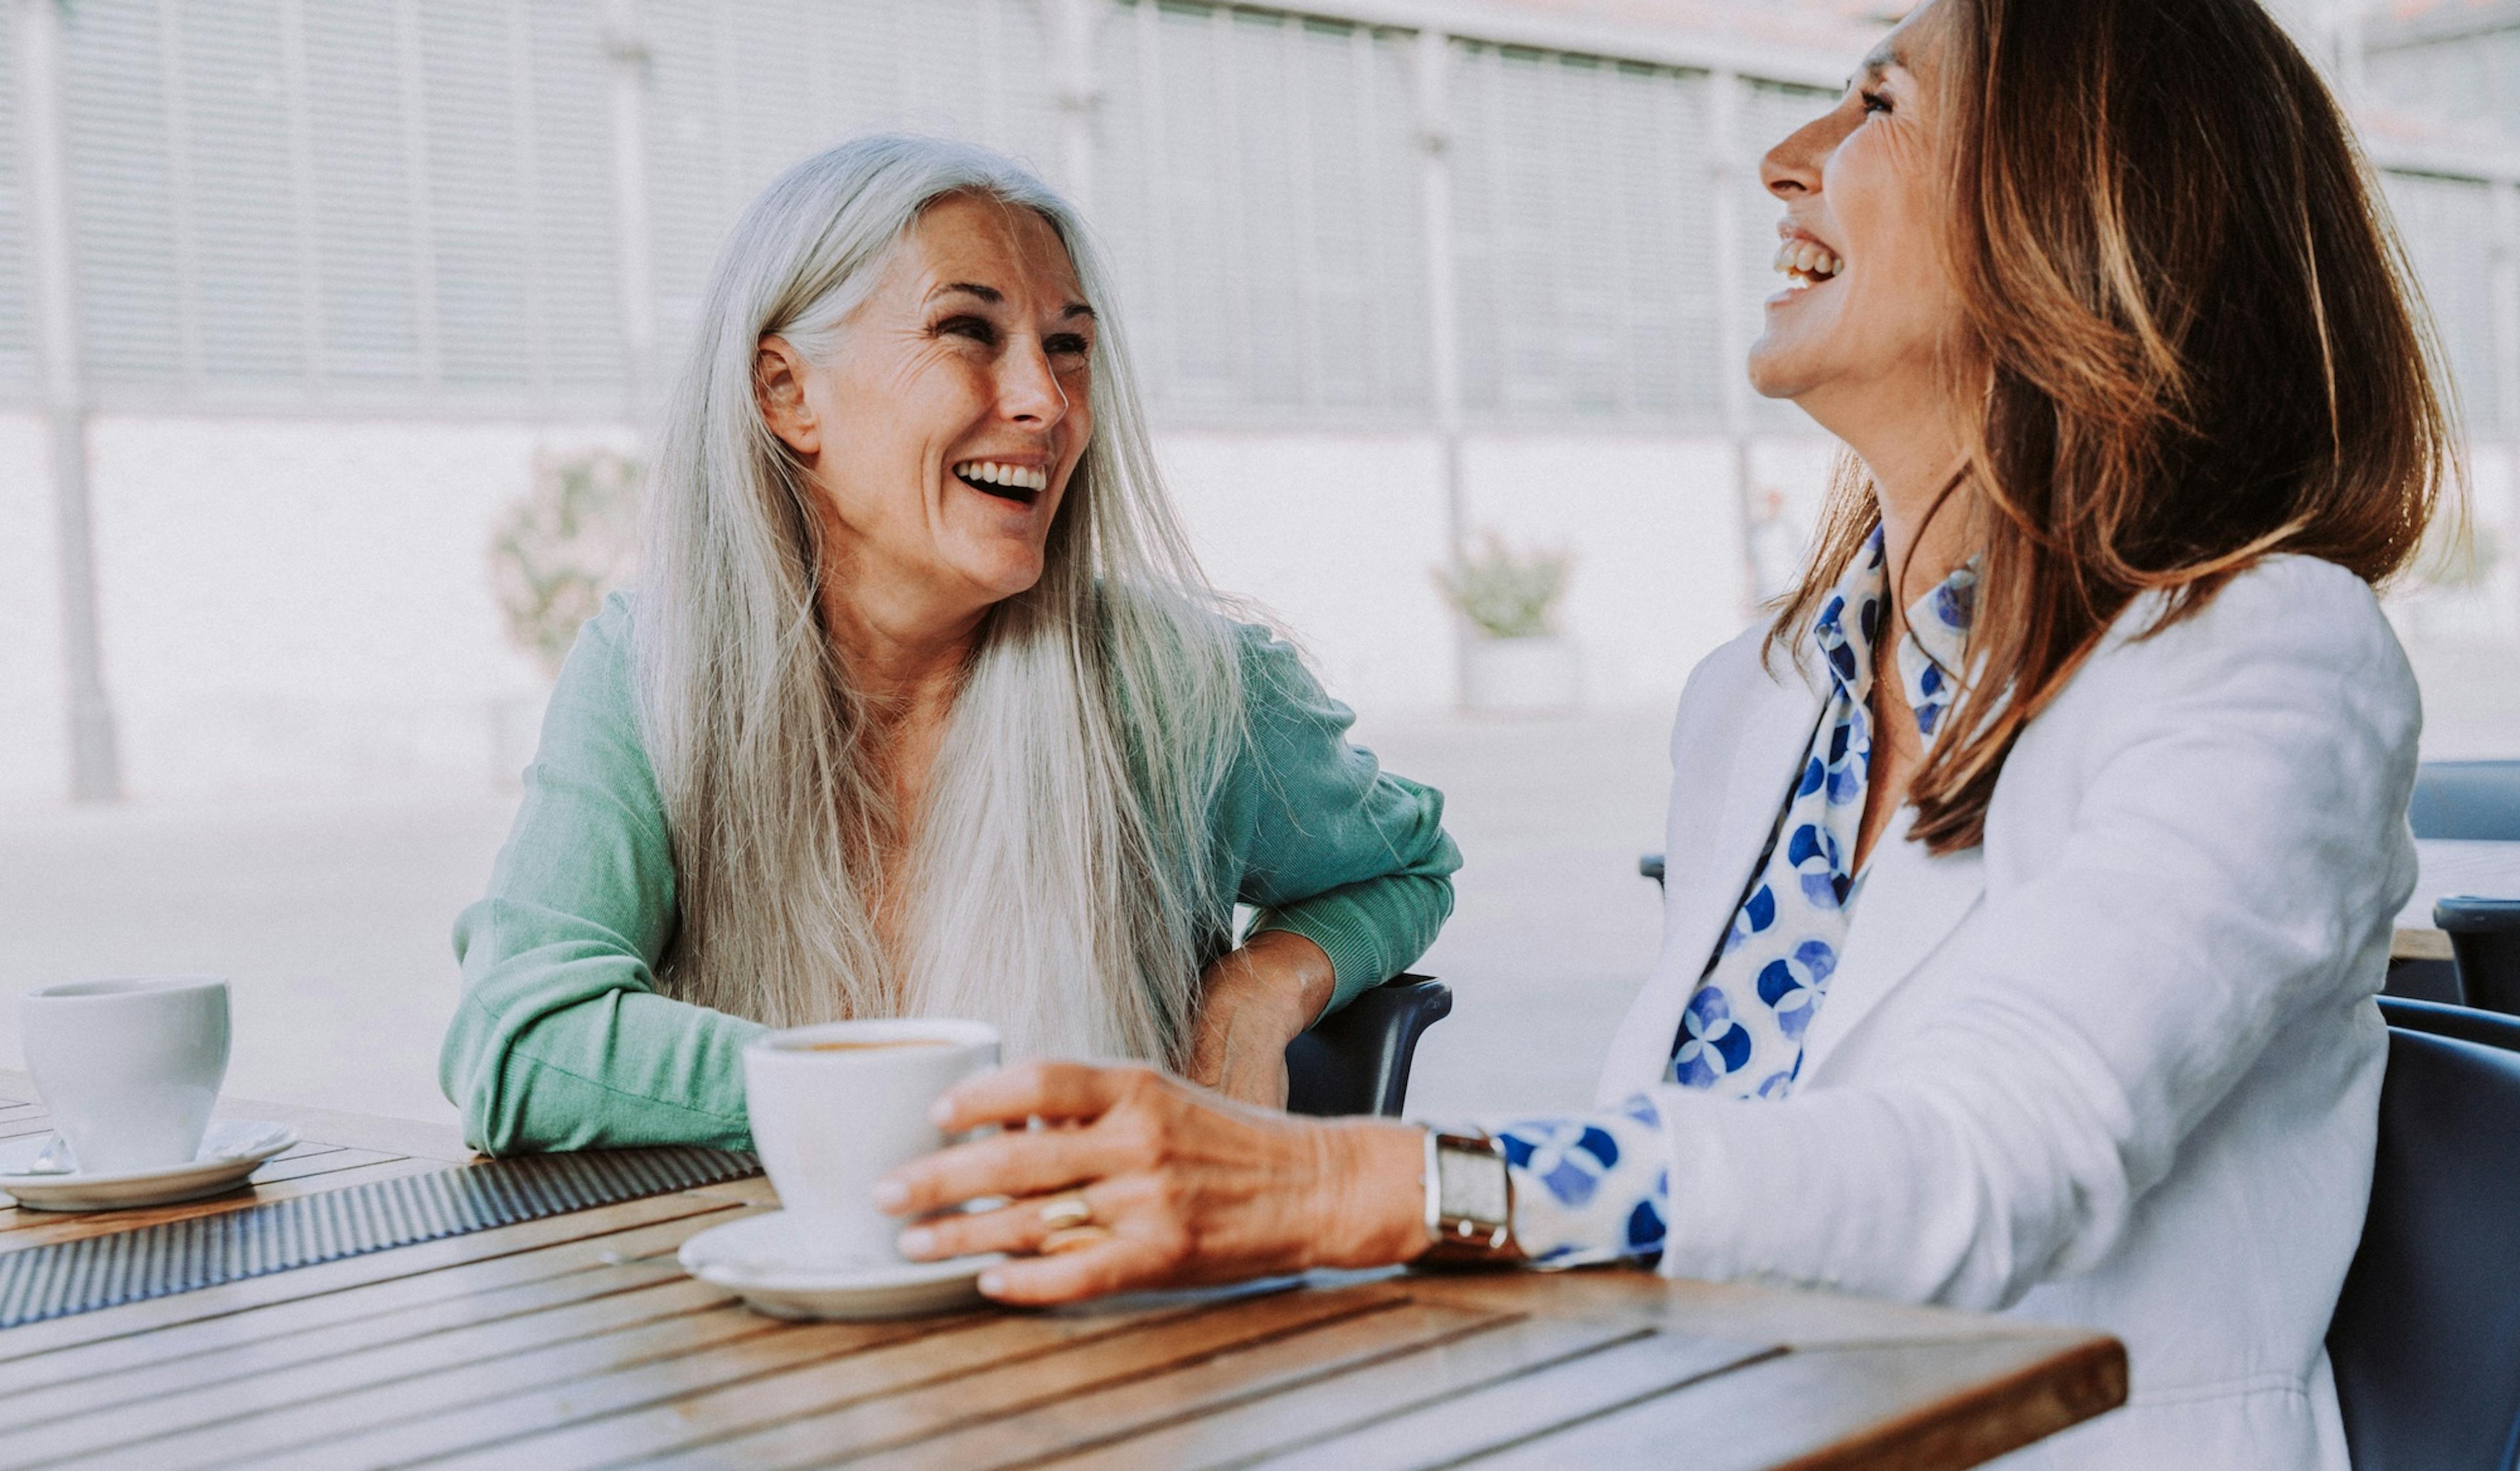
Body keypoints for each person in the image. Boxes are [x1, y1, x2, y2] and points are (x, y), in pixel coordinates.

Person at [876, 2, 2445, 1465]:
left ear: (2083, 209)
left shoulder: (2269, 659)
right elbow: (1680, 1165)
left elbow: (1977, 1166)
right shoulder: (1760, 697)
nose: (1786, 159)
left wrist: (1343, 1182)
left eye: (1878, 103)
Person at [439, 136, 1458, 1153]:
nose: (1046, 402)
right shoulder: (650, 672)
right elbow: (521, 1038)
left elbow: (1408, 863)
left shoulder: (1185, 688)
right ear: (786, 394)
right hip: (742, 1290)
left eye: (1068, 347)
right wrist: (897, 1101)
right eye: (968, 329)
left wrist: (1259, 987)